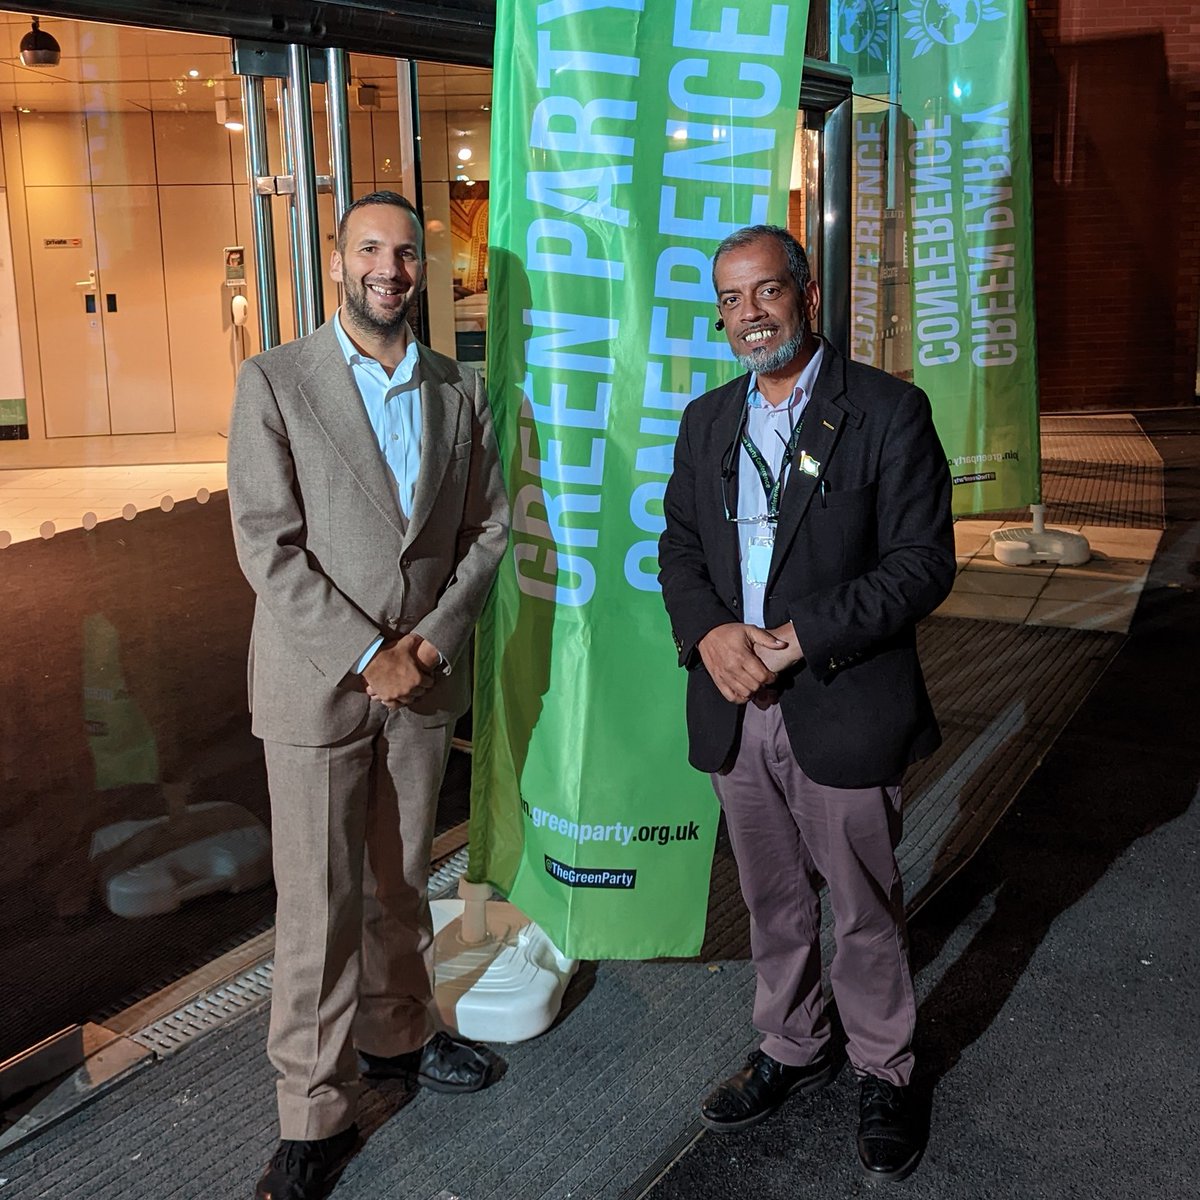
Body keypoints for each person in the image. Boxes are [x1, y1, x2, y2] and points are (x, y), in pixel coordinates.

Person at [227, 191, 510, 1200]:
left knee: (402, 880)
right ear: (339, 263)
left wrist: (430, 642)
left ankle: (398, 1038)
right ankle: (311, 1111)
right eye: (370, 250)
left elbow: (490, 529)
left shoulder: (455, 389)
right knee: (318, 902)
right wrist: (365, 652)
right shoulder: (274, 380)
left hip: (423, 683)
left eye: (405, 253)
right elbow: (266, 543)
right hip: (316, 683)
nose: (390, 268)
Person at [658, 225, 954, 1182]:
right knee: (771, 898)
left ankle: (885, 1067)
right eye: (731, 301)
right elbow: (679, 549)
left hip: (838, 694)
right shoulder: (708, 421)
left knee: (862, 905)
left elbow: (921, 566)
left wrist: (797, 639)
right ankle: (792, 1043)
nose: (750, 316)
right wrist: (710, 636)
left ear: (807, 293)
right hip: (735, 702)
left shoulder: (887, 411)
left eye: (767, 293)